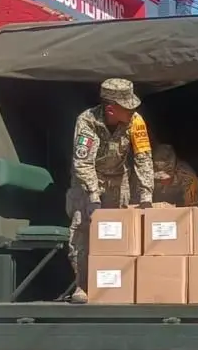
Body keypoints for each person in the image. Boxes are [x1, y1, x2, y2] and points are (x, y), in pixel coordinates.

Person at [66, 78, 155, 303]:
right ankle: (83, 285)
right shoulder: (87, 121)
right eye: (127, 107)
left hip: (119, 180)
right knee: (82, 232)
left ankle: (119, 284)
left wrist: (146, 194)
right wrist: (93, 194)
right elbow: (82, 162)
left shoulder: (136, 121)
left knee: (118, 233)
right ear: (111, 109)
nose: (133, 111)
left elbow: (143, 157)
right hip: (87, 182)